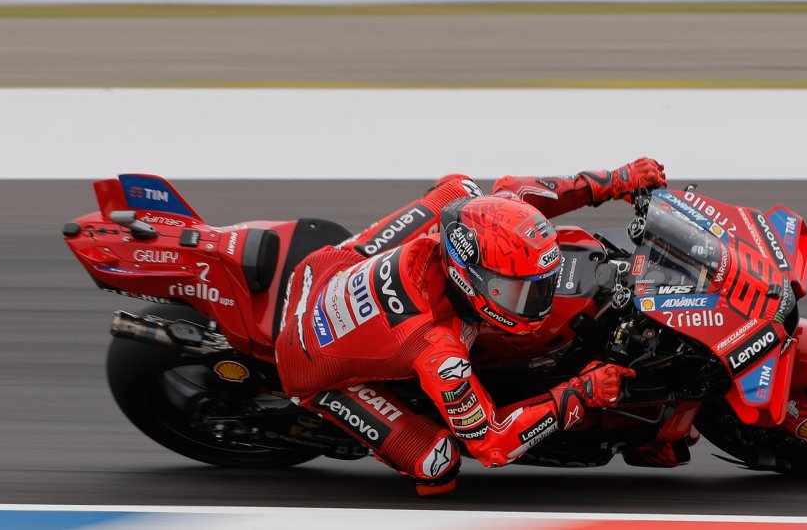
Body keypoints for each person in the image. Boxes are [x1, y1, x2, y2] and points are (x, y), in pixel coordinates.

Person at [274, 158, 665, 495]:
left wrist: (620, 178)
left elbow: (518, 190)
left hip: (325, 266)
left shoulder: (471, 211)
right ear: (468, 279)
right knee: (437, 465)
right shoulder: (437, 348)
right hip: (307, 362)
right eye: (515, 292)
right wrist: (579, 394)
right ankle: (326, 405)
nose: (537, 302)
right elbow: (492, 444)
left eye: (541, 285)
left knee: (457, 186)